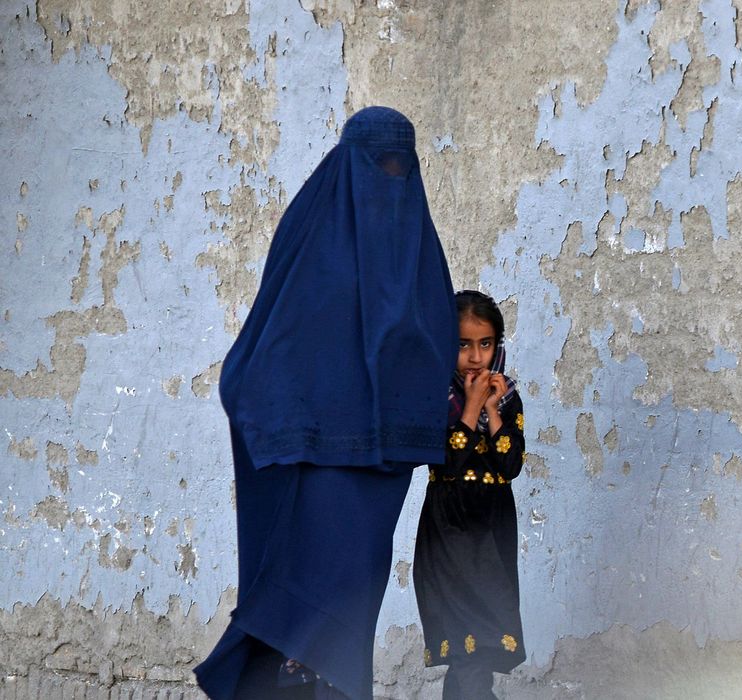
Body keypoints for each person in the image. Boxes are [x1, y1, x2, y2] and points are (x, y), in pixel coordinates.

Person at [194, 106, 458, 700]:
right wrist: (279, 417)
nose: (390, 179)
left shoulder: (417, 247)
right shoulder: (312, 231)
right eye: (379, 165)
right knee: (299, 596)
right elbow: (272, 337)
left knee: (351, 601)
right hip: (312, 458)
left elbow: (434, 340)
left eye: (400, 167)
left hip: (380, 468)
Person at [414, 290, 527, 699]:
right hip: (449, 530)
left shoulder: (507, 397)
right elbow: (447, 462)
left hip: (492, 530)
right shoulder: (434, 398)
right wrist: (470, 407)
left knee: (479, 644)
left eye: (485, 344)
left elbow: (510, 464)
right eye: (463, 344)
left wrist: (491, 409)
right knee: (467, 642)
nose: (476, 357)